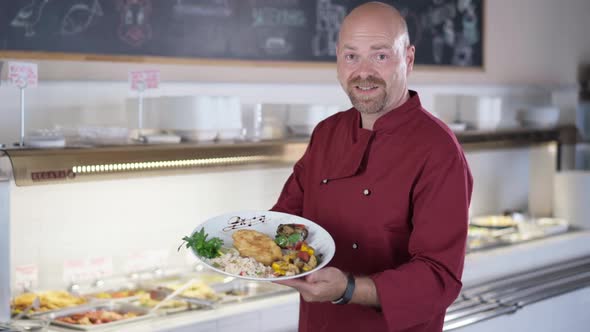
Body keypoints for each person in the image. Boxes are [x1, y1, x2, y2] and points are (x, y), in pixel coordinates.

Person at [271, 2, 473, 332]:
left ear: (408, 59)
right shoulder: (327, 133)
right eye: (352, 56)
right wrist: (247, 244)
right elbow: (287, 219)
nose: (363, 71)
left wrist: (348, 289)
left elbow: (439, 276)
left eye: (380, 56)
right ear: (337, 58)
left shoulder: (438, 150)